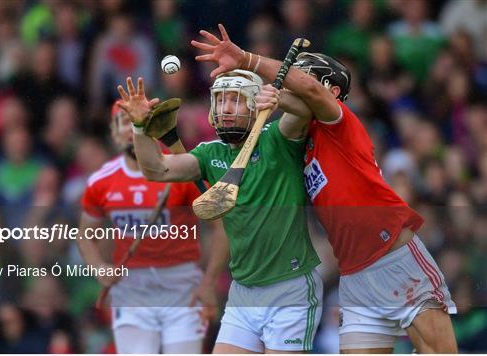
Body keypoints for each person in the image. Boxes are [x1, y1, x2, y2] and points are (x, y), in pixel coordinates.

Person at [190, 24, 457, 353]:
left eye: (299, 79)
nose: (287, 84)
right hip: (354, 275)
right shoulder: (295, 143)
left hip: (394, 260)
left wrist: (246, 59)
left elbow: (309, 94)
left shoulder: (338, 122)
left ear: (330, 91)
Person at [117, 68, 323, 352]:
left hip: (289, 288)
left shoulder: (279, 138)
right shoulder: (210, 153)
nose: (226, 108)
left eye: (236, 100)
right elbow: (158, 169)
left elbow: (304, 110)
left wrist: (279, 99)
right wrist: (140, 128)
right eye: (221, 100)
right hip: (243, 291)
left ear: (254, 104)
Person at [76, 101, 220, 353]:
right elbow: (85, 235)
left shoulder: (182, 170)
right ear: (112, 131)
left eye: (137, 121)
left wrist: (209, 281)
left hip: (183, 289)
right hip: (131, 292)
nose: (131, 129)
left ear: (151, 126)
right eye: (124, 121)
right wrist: (98, 267)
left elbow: (220, 227)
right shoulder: (101, 182)